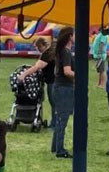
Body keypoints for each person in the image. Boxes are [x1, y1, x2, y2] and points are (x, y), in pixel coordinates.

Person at [18, 37, 54, 128]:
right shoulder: (51, 51)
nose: (38, 50)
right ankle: (54, 123)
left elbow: (37, 67)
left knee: (54, 102)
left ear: (43, 45)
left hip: (53, 81)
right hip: (53, 80)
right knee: (54, 103)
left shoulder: (47, 54)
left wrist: (24, 74)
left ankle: (54, 124)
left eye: (39, 47)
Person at [52, 27, 75, 158]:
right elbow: (67, 71)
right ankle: (60, 150)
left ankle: (55, 146)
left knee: (59, 118)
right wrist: (80, 76)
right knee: (63, 119)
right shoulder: (66, 52)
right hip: (64, 88)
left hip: (59, 87)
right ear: (70, 37)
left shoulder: (62, 51)